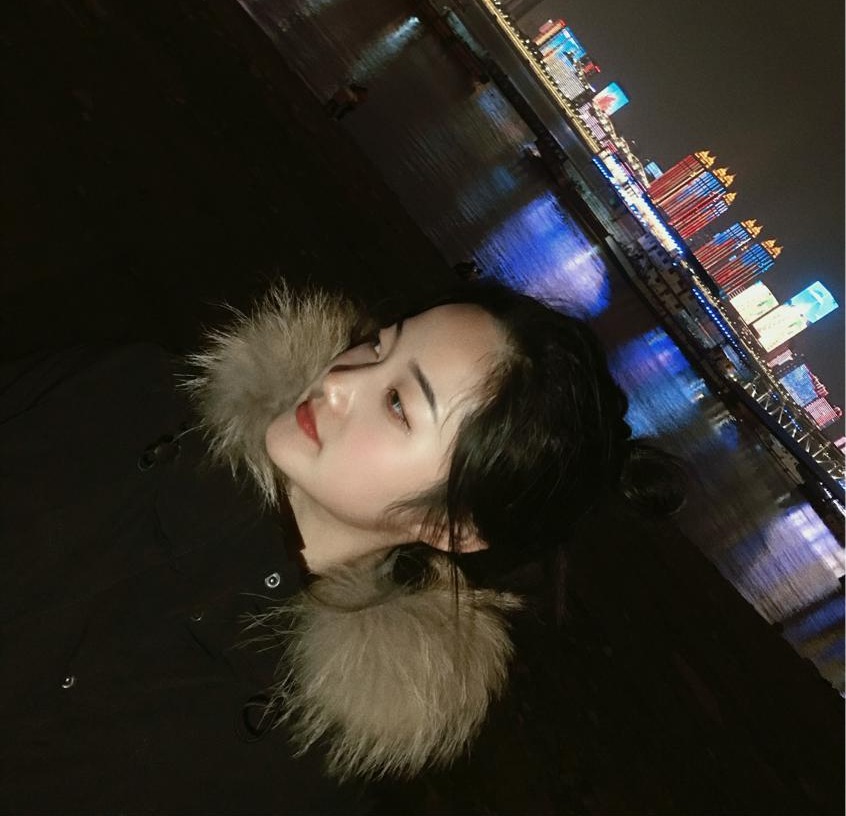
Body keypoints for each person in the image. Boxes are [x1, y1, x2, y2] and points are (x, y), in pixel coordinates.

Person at [0, 280, 677, 813]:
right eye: (378, 346)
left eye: (399, 404)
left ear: (452, 530)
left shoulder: (297, 763)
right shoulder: (128, 395)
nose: (340, 380)